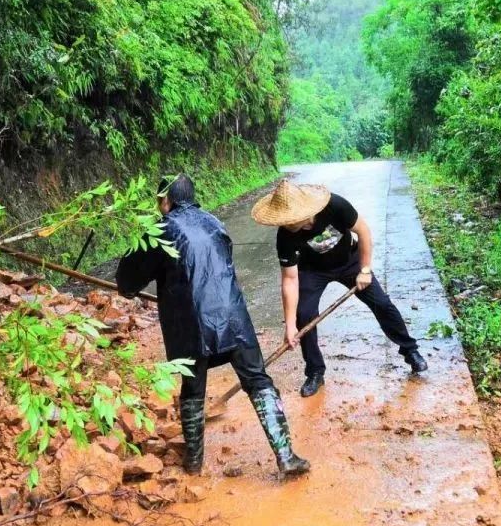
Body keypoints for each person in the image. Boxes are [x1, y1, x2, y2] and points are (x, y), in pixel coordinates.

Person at [116, 174, 310, 478]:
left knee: (193, 388)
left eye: (159, 201)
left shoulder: (158, 230)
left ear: (165, 201)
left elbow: (127, 282)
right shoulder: (215, 223)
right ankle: (286, 455)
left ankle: (193, 463)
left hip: (189, 323)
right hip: (233, 316)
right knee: (258, 380)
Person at [251, 179, 427, 397]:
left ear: (305, 210)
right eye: (284, 221)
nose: (288, 225)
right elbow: (290, 279)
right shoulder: (285, 236)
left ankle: (410, 351)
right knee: (303, 314)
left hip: (349, 262)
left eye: (292, 220)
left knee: (382, 304)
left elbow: (363, 232)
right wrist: (289, 326)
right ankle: (315, 372)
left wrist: (364, 270)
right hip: (312, 271)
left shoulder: (335, 206)